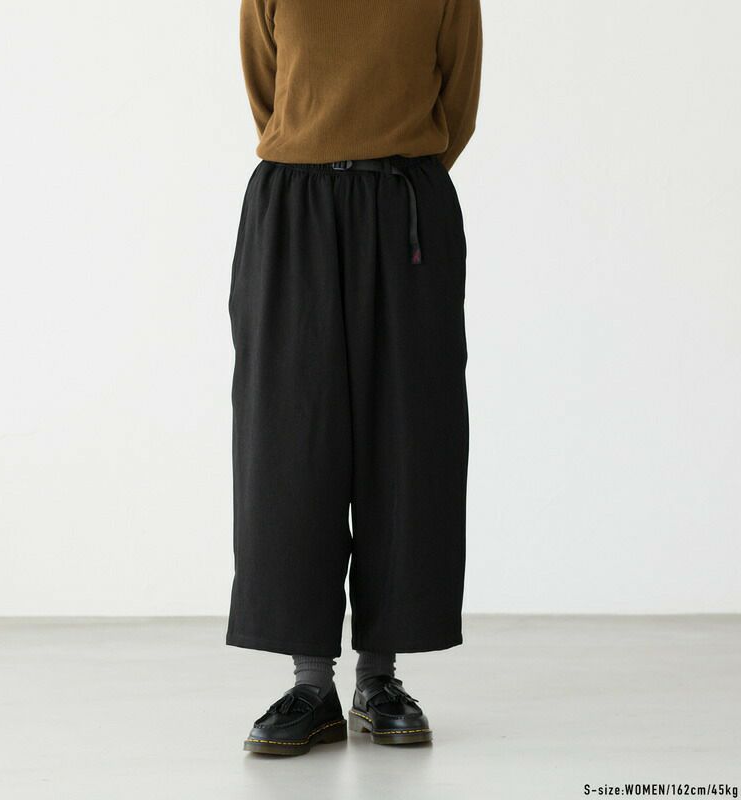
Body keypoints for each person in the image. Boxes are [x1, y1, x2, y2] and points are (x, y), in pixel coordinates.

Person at [227, 0, 483, 756]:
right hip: (292, 205)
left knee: (408, 437)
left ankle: (380, 680)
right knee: (288, 440)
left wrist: (383, 169)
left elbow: (457, 104)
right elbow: (268, 91)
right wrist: (323, 156)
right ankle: (311, 686)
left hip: (404, 209)